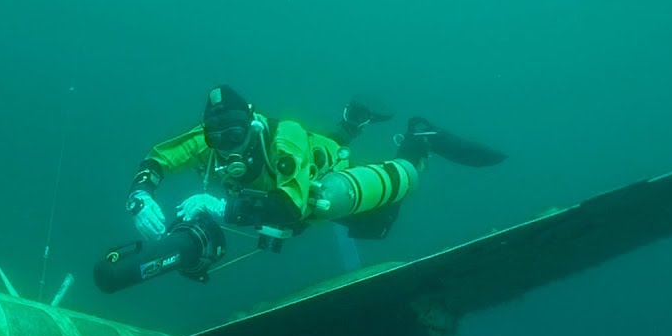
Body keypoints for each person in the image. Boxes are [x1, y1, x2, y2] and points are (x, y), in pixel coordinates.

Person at [124, 85, 505, 245]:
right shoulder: (205, 140)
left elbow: (289, 207)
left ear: (253, 123)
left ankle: (419, 142)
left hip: (318, 175)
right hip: (304, 160)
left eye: (235, 132)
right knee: (319, 148)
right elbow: (157, 159)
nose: (225, 144)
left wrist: (220, 206)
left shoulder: (283, 139)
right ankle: (352, 121)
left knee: (376, 226)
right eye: (215, 135)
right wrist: (140, 194)